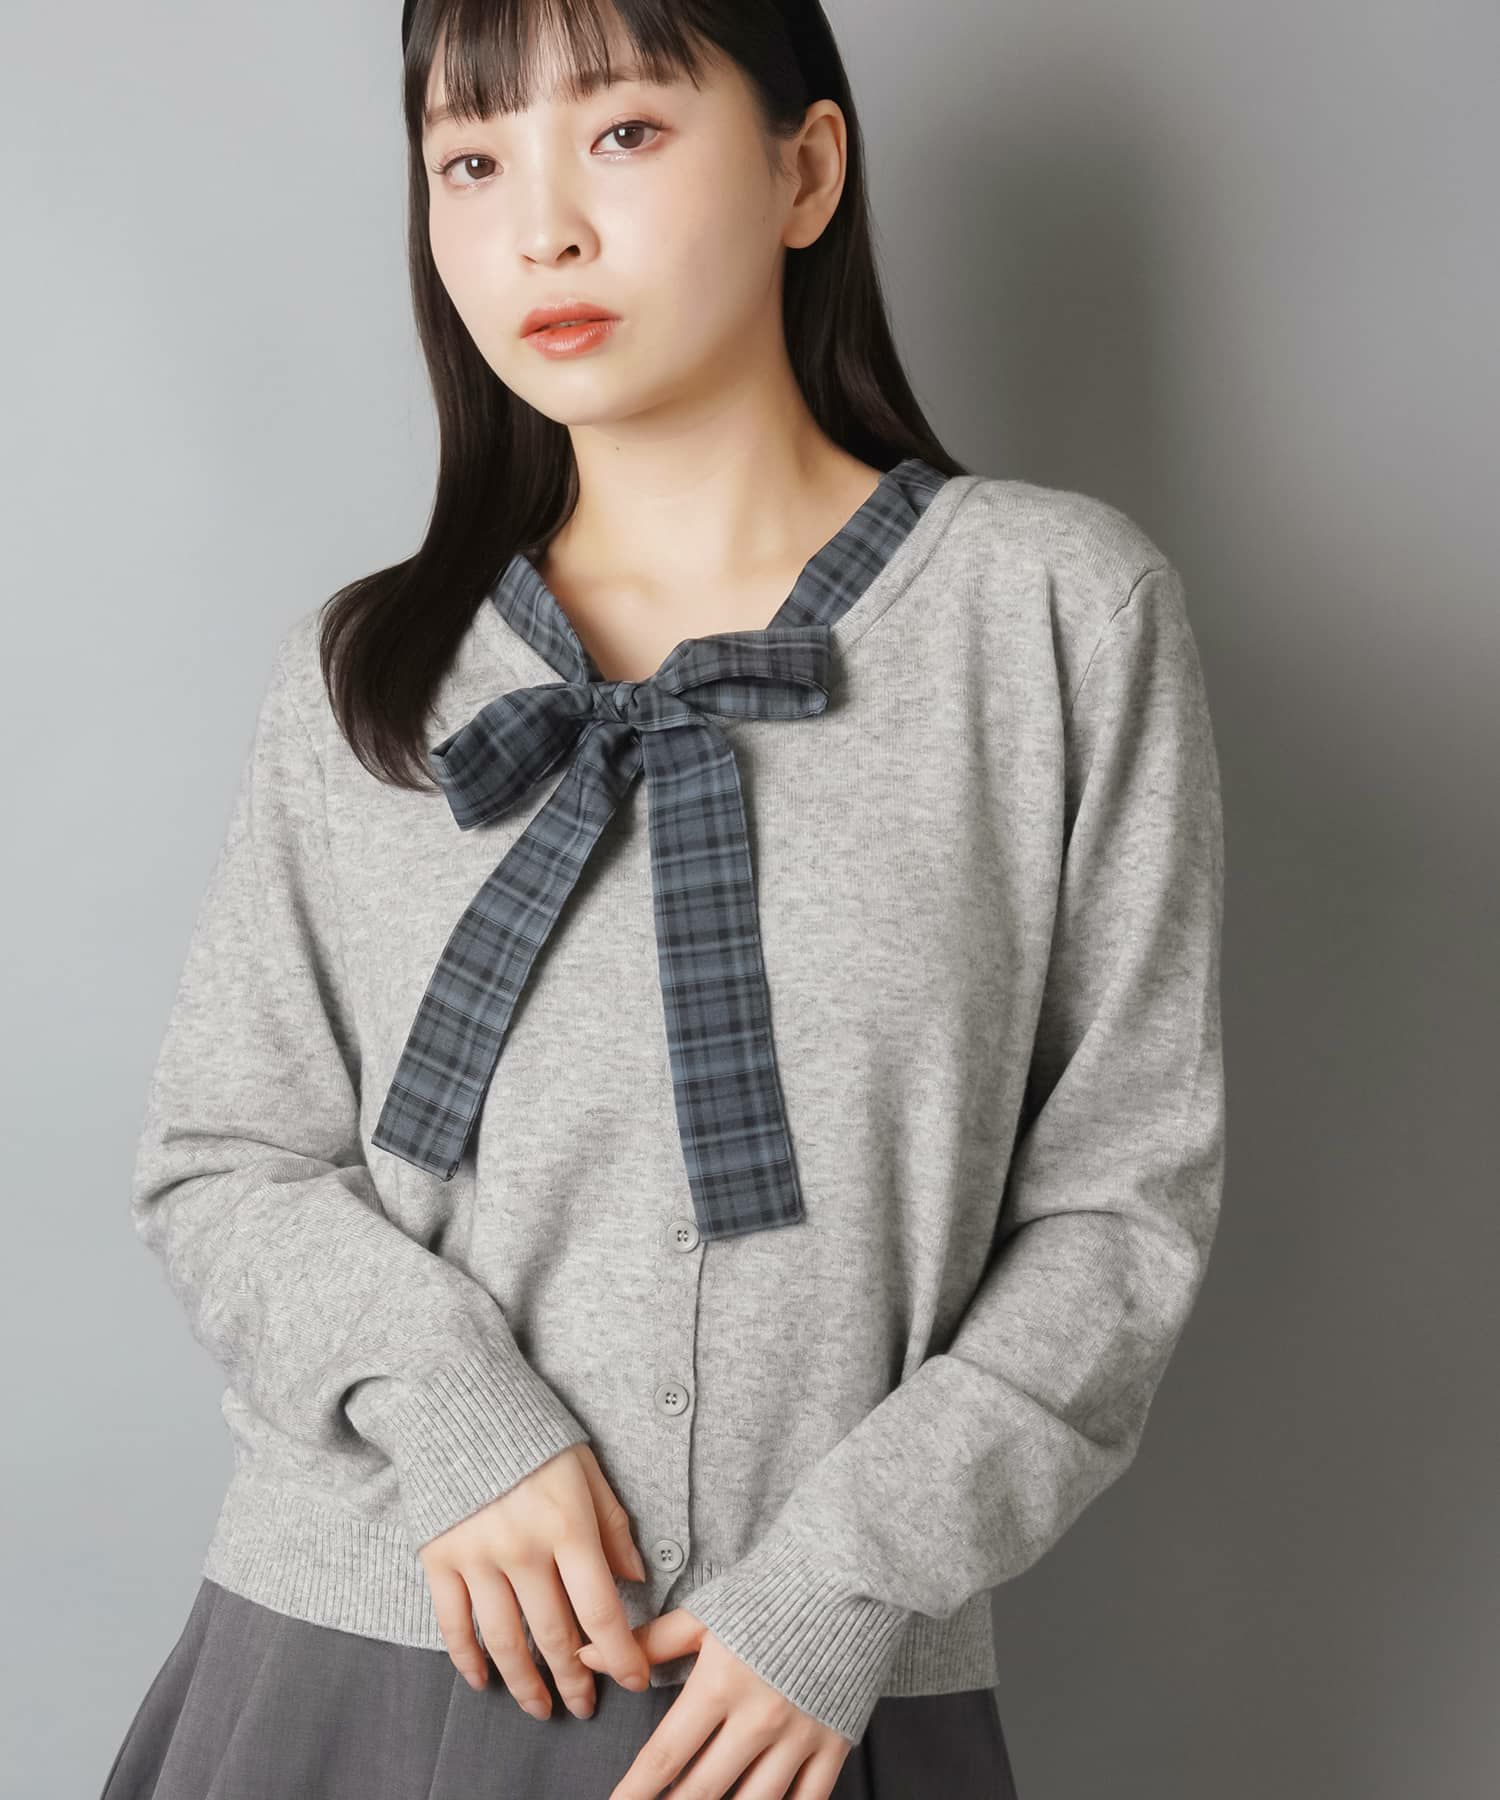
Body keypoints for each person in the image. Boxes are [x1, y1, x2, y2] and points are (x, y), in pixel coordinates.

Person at [100, 1, 1226, 1796]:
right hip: (352, 1659)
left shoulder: (1052, 616)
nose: (540, 228)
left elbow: (1120, 1207)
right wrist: (462, 1425)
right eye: (472, 161)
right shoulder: (367, 674)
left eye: (622, 133)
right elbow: (225, 1158)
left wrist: (850, 1579)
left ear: (806, 169)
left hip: (804, 1698)